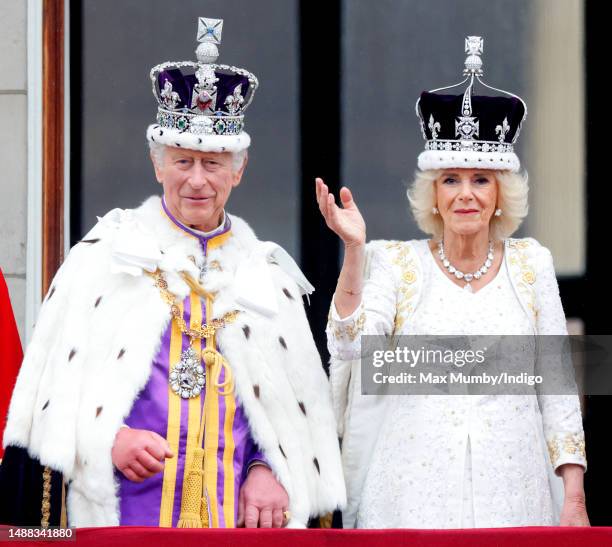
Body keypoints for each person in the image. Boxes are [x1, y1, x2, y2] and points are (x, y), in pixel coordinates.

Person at [0, 17, 345, 528]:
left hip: (234, 522)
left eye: (213, 163)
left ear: (239, 170)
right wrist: (106, 438)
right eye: (183, 161)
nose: (198, 180)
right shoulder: (100, 258)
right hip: (119, 519)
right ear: (157, 164)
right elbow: (45, 406)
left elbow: (293, 418)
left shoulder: (269, 276)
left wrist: (269, 466)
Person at [317, 36, 587, 528]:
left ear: (501, 193)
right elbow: (352, 347)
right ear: (433, 194)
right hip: (409, 500)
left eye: (481, 179)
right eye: (451, 180)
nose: (466, 194)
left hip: (514, 495)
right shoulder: (394, 263)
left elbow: (559, 390)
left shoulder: (532, 265)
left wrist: (574, 498)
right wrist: (354, 251)